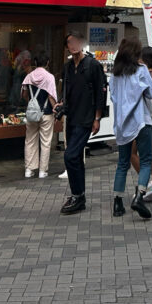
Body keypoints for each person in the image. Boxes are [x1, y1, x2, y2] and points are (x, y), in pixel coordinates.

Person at [109, 38, 152, 220]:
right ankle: (139, 196)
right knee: (146, 160)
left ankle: (117, 202)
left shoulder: (115, 74)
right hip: (141, 120)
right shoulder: (141, 70)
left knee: (123, 162)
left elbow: (113, 97)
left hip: (122, 123)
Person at [58, 32, 106, 215]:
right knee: (76, 157)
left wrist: (97, 118)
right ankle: (78, 196)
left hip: (86, 118)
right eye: (70, 42)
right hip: (72, 117)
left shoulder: (93, 65)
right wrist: (62, 105)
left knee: (70, 156)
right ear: (67, 46)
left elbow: (101, 93)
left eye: (77, 42)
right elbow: (66, 92)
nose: (74, 45)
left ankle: (78, 195)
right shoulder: (68, 67)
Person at [132, 46, 152, 201]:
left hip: (146, 121)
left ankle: (150, 185)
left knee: (133, 153)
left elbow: (149, 99)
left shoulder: (147, 75)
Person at [21, 50, 56, 179]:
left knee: (30, 141)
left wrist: (31, 103)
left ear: (35, 63)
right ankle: (43, 171)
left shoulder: (29, 76)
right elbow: (51, 96)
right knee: (45, 142)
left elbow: (24, 94)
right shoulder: (49, 77)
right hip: (46, 113)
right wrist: (55, 109)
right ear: (47, 63)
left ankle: (29, 170)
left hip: (31, 113)